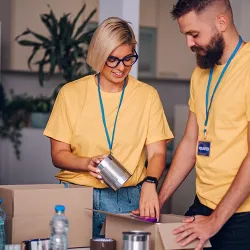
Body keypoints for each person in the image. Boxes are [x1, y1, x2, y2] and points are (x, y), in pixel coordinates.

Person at [44, 17, 173, 238]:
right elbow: (58, 155)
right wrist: (87, 163)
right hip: (77, 196)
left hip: (130, 197)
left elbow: (158, 152)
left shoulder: (147, 96)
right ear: (98, 55)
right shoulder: (71, 93)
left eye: (128, 59)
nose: (121, 68)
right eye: (112, 60)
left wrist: (151, 183)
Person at [158, 0, 250, 249]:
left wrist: (214, 222)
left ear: (221, 22)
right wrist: (159, 198)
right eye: (185, 35)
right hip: (203, 204)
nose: (189, 43)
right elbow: (190, 143)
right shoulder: (200, 73)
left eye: (194, 34)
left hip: (242, 216)